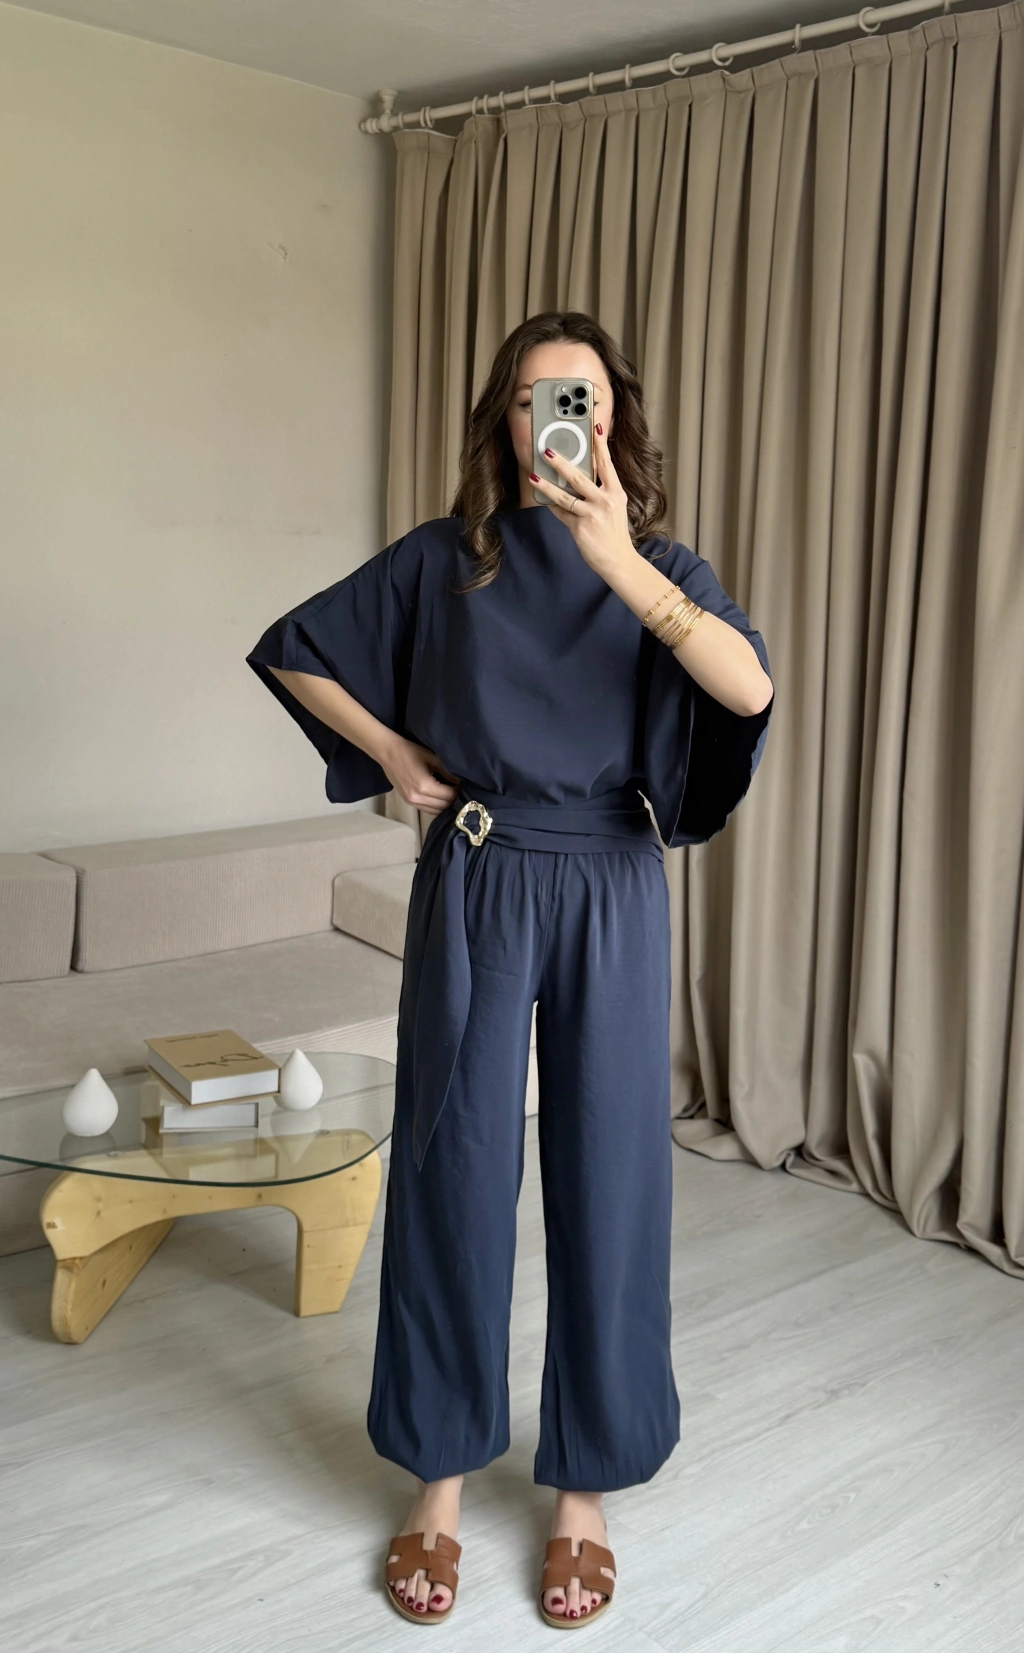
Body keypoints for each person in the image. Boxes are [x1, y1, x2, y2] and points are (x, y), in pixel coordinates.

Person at [246, 310, 774, 1630]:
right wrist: (396, 757)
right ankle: (438, 1477)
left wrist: (620, 565)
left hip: (610, 879)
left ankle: (583, 1492)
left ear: (614, 419)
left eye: (581, 397)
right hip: (481, 872)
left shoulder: (660, 567)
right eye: (537, 397)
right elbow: (296, 648)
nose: (560, 419)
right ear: (506, 419)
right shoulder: (449, 560)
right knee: (453, 1168)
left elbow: (747, 692)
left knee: (612, 1178)